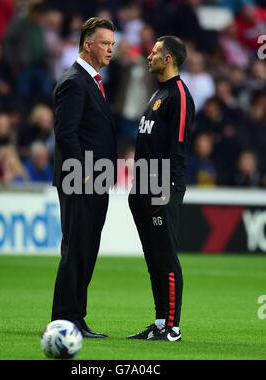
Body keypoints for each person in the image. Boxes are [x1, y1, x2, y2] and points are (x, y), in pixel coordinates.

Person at [51, 17, 117, 338]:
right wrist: (82, 172)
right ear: (87, 44)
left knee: (86, 248)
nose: (110, 50)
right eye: (105, 43)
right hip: (81, 181)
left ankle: (76, 316)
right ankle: (64, 318)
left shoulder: (91, 82)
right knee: (77, 248)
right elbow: (66, 134)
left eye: (113, 45)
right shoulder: (74, 81)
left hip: (95, 179)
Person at [127, 36, 195, 341]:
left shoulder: (179, 95)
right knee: (153, 257)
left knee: (165, 256)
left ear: (168, 58)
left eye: (154, 52)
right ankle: (159, 322)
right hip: (142, 186)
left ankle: (172, 326)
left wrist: (163, 187)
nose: (148, 56)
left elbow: (177, 147)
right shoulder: (158, 94)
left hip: (160, 187)